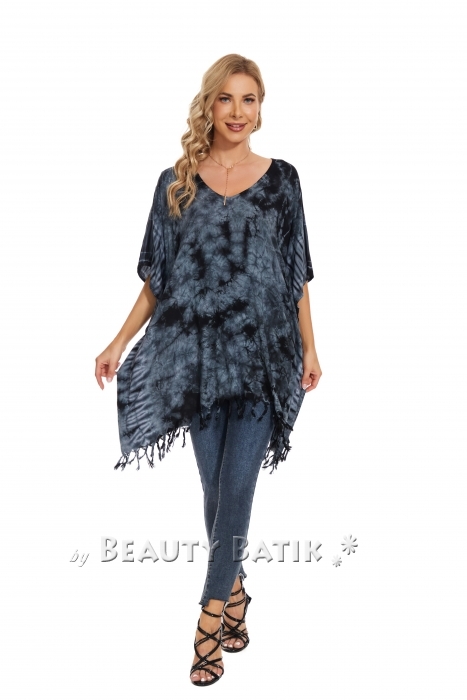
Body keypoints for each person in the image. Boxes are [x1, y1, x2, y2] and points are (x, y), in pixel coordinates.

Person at [95, 53, 322, 687]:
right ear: (209, 105)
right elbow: (156, 281)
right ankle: (238, 591)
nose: (238, 112)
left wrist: (310, 347)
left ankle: (208, 620)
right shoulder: (176, 183)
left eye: (249, 99)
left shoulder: (283, 181)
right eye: (226, 99)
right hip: (196, 362)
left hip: (263, 358)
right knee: (217, 494)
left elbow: (296, 273)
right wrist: (117, 342)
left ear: (261, 107)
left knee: (239, 487)